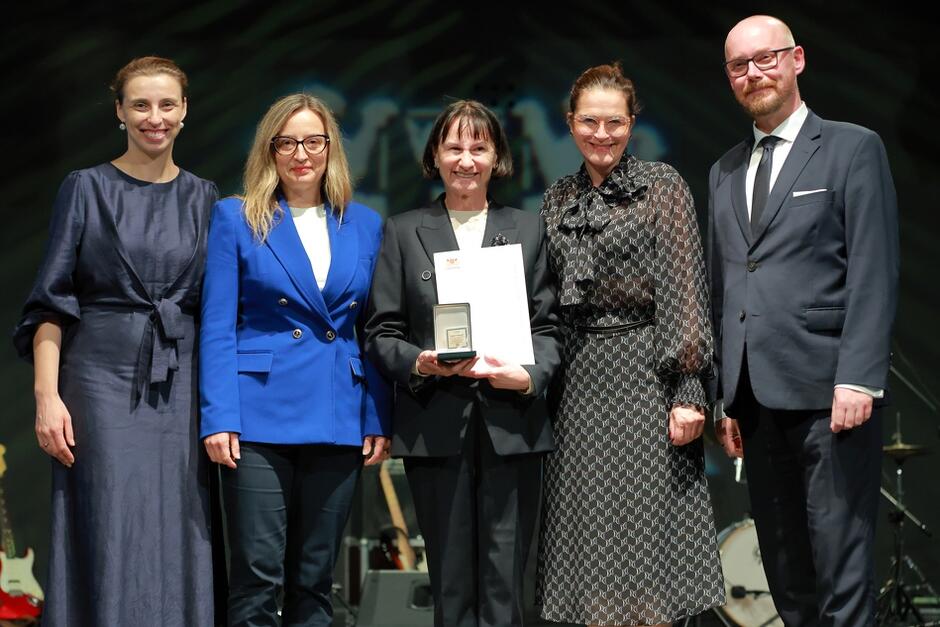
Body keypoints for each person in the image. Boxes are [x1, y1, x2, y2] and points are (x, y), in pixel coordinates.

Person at [13, 56, 217, 626]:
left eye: (167, 104)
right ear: (119, 112)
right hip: (99, 381)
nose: (155, 117)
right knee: (108, 521)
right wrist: (46, 398)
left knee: (181, 523)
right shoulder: (85, 188)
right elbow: (50, 304)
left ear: (185, 112)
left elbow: (220, 307)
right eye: (141, 105)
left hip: (182, 382)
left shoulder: (206, 198)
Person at [709, 15, 899, 626]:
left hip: (829, 395)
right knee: (788, 577)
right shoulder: (724, 171)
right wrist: (723, 397)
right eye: (739, 65)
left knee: (841, 572)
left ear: (798, 60)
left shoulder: (852, 147)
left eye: (765, 58)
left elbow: (874, 269)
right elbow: (725, 286)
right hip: (755, 401)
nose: (753, 73)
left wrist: (859, 377)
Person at [535, 63, 725, 627]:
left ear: (631, 122)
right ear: (570, 123)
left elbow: (685, 285)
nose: (602, 133)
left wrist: (689, 390)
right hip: (577, 389)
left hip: (648, 378)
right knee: (589, 539)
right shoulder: (558, 199)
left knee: (647, 543)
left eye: (614, 122)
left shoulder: (661, 185)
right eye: (589, 121)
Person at [364, 99, 560, 627]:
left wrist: (529, 376)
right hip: (437, 425)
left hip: (511, 424)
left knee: (507, 582)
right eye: (454, 147)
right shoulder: (404, 232)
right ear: (435, 155)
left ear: (497, 157)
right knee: (449, 581)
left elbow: (548, 327)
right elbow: (381, 331)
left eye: (479, 147)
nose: (466, 159)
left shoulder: (527, 228)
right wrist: (421, 363)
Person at [199, 93, 391, 626]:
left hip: (338, 414)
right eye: (287, 142)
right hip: (257, 417)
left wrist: (376, 415)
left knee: (315, 578)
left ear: (331, 149)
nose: (300, 153)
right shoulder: (237, 218)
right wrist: (219, 417)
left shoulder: (365, 224)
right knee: (258, 576)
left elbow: (372, 327)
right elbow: (216, 325)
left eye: (313, 141)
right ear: (270, 150)